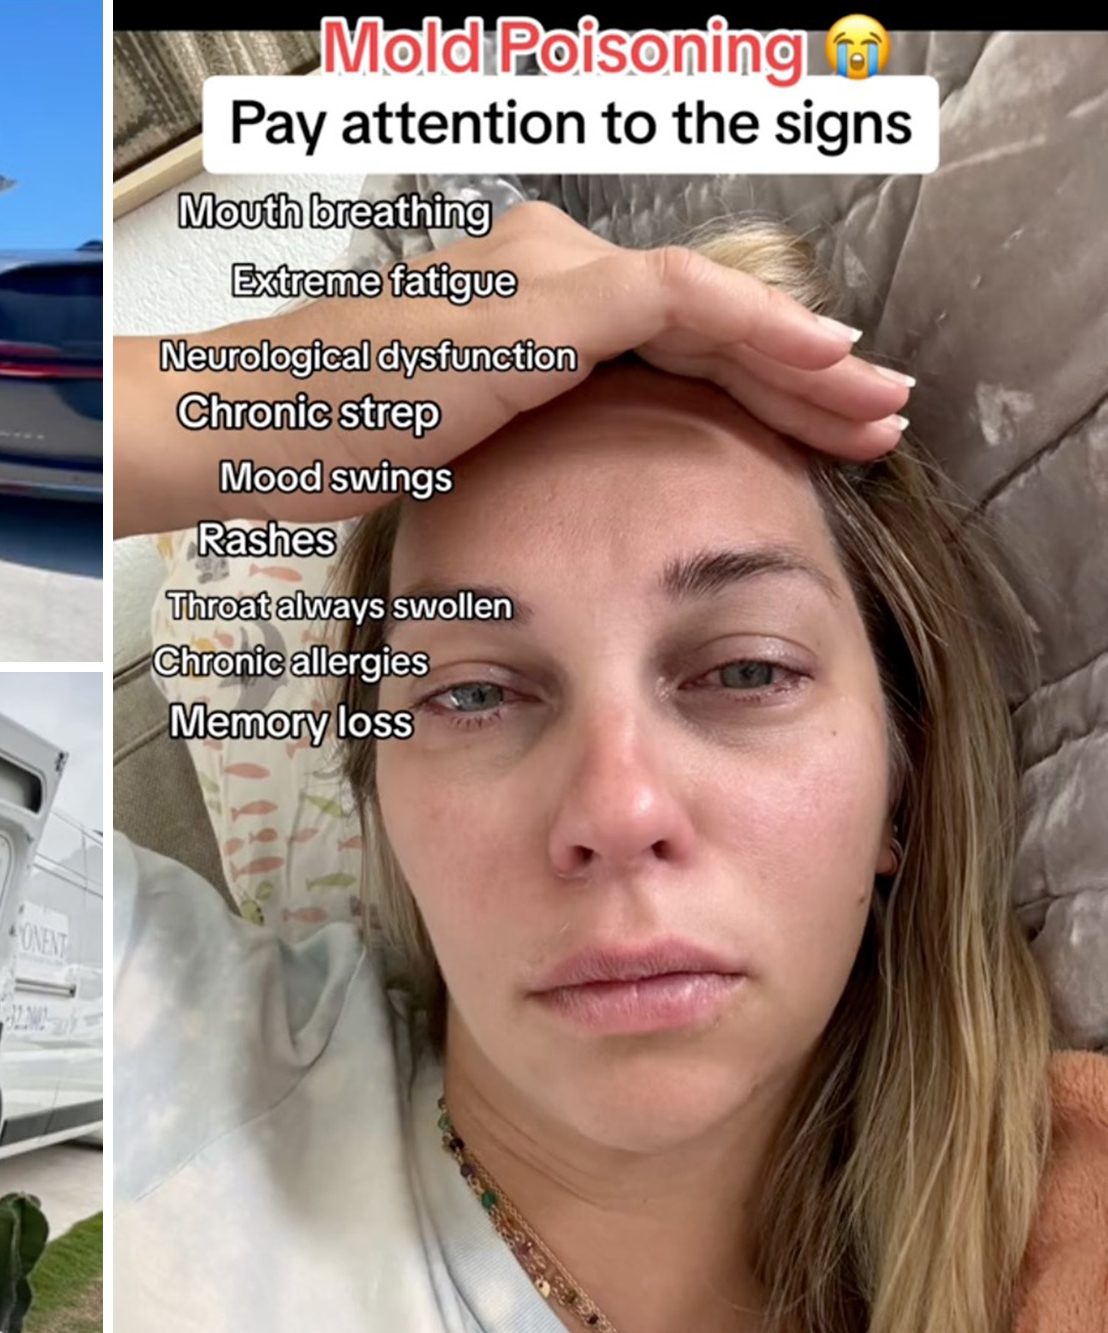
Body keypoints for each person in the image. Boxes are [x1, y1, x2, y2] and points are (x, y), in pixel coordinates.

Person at [112, 205, 1105, 1333]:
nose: (615, 809)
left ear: (901, 775)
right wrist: (280, 398)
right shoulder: (173, 1076)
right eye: (472, 693)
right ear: (378, 800)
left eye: (742, 672)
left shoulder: (1071, 1226)